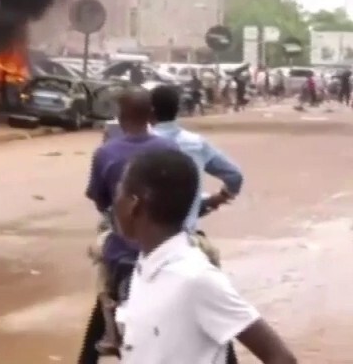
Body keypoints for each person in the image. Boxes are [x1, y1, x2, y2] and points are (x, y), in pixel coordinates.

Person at [113, 148, 297, 364]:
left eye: (119, 193)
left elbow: (281, 358)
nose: (114, 203)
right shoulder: (146, 266)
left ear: (134, 204)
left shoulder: (194, 278)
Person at [81, 87, 179, 359]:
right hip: (167, 245)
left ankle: (109, 334)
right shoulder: (170, 148)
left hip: (122, 249)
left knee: (103, 275)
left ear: (120, 117)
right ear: (152, 116)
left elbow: (100, 200)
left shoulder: (105, 153)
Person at [149, 85, 244, 245]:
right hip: (186, 237)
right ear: (178, 109)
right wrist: (220, 197)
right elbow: (235, 176)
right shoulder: (195, 143)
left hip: (145, 242)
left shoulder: (139, 144)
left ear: (149, 111)